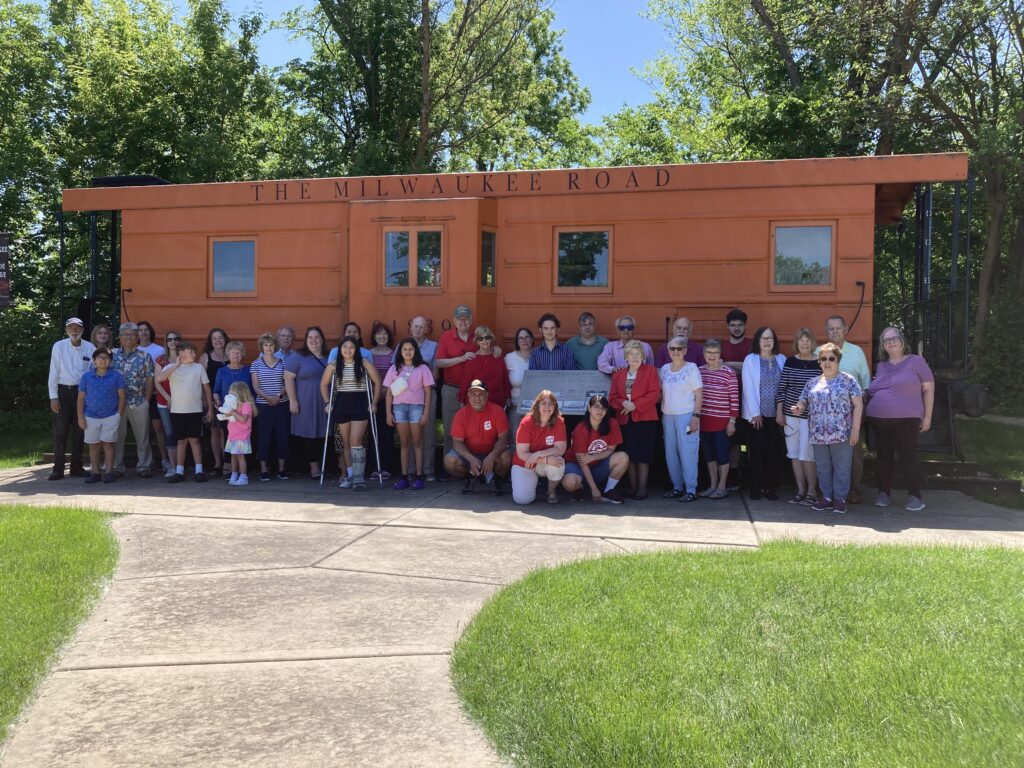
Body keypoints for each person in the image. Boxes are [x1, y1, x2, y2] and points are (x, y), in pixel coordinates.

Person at [866, 326, 935, 511]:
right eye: (886, 340)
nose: (891, 342)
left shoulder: (916, 361)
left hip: (907, 418)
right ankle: (883, 493)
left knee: (908, 456)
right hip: (879, 419)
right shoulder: (881, 366)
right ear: (883, 346)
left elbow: (928, 389)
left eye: (894, 338)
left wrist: (927, 416)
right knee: (883, 458)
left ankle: (915, 496)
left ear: (902, 340)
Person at [792, 342, 864, 514]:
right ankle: (826, 498)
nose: (827, 362)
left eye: (831, 358)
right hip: (818, 434)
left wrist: (855, 430)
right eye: (823, 358)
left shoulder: (848, 380)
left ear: (838, 360)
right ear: (819, 361)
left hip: (842, 434)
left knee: (842, 467)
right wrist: (799, 407)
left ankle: (840, 499)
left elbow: (859, 405)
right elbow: (804, 400)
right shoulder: (812, 383)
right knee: (823, 467)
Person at [321, 336, 381, 491]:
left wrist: (373, 403)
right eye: (345, 347)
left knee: (356, 440)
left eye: (351, 347)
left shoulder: (364, 363)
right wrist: (328, 402)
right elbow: (323, 384)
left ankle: (359, 477)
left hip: (360, 402)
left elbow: (377, 382)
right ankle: (350, 475)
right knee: (346, 442)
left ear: (356, 349)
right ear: (340, 349)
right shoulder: (334, 365)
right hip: (341, 402)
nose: (348, 350)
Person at [822, 315, 871, 503]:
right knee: (828, 452)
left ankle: (854, 489)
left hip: (852, 412)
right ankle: (829, 491)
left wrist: (861, 410)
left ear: (846, 329)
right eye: (831, 329)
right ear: (826, 331)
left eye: (838, 328)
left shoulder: (857, 352)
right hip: (826, 414)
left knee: (854, 452)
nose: (835, 332)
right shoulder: (821, 351)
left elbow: (865, 381)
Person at [609, 339, 661, 499]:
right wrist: (622, 403)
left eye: (638, 354)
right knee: (629, 455)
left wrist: (635, 405)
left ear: (643, 356)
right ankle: (632, 488)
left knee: (643, 455)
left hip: (645, 419)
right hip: (625, 420)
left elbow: (654, 394)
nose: (635, 357)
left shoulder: (651, 371)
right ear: (626, 357)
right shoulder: (618, 375)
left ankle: (642, 489)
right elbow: (612, 397)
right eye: (631, 354)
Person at [156, 341, 213, 482]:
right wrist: (176, 365)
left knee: (195, 440)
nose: (194, 354)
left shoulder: (198, 367)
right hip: (177, 411)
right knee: (181, 441)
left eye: (194, 352)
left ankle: (199, 470)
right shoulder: (171, 367)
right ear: (181, 354)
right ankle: (179, 471)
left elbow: (207, 388)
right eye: (191, 352)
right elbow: (160, 378)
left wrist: (210, 408)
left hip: (195, 410)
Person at [776, 329, 821, 505]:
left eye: (808, 341)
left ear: (812, 343)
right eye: (801, 340)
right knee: (794, 454)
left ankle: (812, 491)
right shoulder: (790, 361)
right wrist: (780, 411)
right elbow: (782, 388)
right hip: (789, 416)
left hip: (809, 416)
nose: (804, 344)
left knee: (807, 455)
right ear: (797, 342)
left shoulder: (819, 362)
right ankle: (800, 490)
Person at [435, 304, 481, 476]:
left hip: (473, 392)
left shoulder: (477, 337)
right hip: (451, 390)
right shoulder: (446, 338)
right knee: (450, 430)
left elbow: (488, 350)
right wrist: (461, 358)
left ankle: (470, 466)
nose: (463, 321)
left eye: (466, 318)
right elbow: (439, 362)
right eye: (460, 318)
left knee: (473, 430)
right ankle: (449, 467)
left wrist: (497, 348)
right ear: (454, 321)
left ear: (471, 320)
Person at [445, 379, 512, 495]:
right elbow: (457, 443)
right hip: (470, 455)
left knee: (507, 457)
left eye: (481, 394)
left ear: (487, 395)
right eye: (473, 394)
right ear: (468, 396)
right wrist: (471, 459)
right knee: (449, 461)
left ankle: (495, 478)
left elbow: (503, 439)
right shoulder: (461, 415)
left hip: (492, 454)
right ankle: (472, 475)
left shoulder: (498, 411)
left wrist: (491, 456)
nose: (477, 398)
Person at [384, 337, 435, 490]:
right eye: (404, 349)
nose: (407, 352)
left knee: (417, 442)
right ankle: (405, 476)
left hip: (416, 408)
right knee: (404, 442)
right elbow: (388, 393)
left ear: (415, 351)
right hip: (399, 408)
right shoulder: (394, 368)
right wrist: (388, 413)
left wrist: (426, 412)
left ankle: (419, 476)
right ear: (400, 351)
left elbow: (428, 391)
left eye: (411, 349)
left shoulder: (423, 368)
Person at [47, 317, 95, 479]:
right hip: (63, 392)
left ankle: (76, 467)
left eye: (77, 327)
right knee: (60, 431)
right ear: (66, 330)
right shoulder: (58, 346)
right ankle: (58, 468)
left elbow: (94, 372)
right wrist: (53, 397)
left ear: (82, 330)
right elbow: (53, 371)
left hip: (82, 393)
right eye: (71, 327)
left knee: (80, 430)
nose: (74, 330)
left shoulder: (90, 347)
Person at [741, 326, 786, 500]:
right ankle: (755, 487)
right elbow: (748, 388)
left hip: (776, 416)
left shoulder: (781, 359)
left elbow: (784, 386)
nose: (767, 341)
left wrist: (781, 412)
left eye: (770, 338)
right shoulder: (751, 360)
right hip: (756, 417)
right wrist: (754, 413)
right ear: (757, 341)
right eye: (763, 338)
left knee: (773, 453)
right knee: (756, 452)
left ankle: (770, 487)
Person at [560, 394, 628, 503]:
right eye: (596, 407)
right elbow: (582, 461)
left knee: (623, 457)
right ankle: (579, 489)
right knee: (570, 483)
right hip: (577, 466)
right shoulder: (580, 430)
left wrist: (593, 457)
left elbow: (611, 449)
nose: (599, 411)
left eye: (603, 408)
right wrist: (594, 489)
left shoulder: (612, 424)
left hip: (597, 465)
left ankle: (608, 491)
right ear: (589, 408)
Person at [660, 336, 703, 502]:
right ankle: (677, 487)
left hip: (686, 414)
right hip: (668, 415)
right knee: (671, 453)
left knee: (688, 452)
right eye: (672, 348)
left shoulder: (691, 368)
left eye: (679, 348)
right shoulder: (664, 369)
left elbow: (699, 393)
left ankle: (691, 489)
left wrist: (696, 416)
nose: (676, 352)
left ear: (685, 350)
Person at [284, 326, 329, 479]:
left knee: (326, 433)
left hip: (326, 401)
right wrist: (293, 400)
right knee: (310, 434)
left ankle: (329, 466)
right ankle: (314, 468)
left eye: (317, 337)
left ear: (322, 340)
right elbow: (288, 378)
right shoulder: (297, 356)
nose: (314, 340)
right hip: (306, 401)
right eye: (310, 337)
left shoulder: (330, 357)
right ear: (306, 340)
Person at [112, 322, 155, 478]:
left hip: (138, 401)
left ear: (137, 338)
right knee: (117, 436)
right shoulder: (112, 354)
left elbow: (150, 379)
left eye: (131, 334)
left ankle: (144, 466)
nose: (128, 337)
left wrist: (147, 401)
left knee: (142, 436)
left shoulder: (145, 357)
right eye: (124, 334)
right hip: (116, 404)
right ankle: (116, 466)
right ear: (120, 337)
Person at [77, 348, 125, 485]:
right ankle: (95, 472)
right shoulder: (86, 377)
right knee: (94, 445)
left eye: (106, 358)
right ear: (94, 360)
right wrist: (80, 417)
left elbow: (122, 396)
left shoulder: (116, 376)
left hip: (111, 415)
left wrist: (118, 414)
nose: (103, 360)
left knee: (109, 444)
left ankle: (109, 472)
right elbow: (80, 398)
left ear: (110, 361)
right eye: (100, 358)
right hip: (91, 415)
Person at [698, 338, 739, 498]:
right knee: (709, 455)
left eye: (715, 353)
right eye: (709, 352)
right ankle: (712, 485)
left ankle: (722, 486)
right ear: (704, 354)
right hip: (704, 421)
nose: (712, 356)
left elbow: (734, 399)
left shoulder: (728, 373)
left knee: (722, 454)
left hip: (722, 423)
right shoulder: (699, 371)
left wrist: (732, 422)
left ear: (720, 354)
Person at [400, 316, 440, 480]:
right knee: (410, 435)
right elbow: (396, 369)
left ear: (427, 329)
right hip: (407, 397)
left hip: (427, 393)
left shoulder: (434, 346)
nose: (418, 329)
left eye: (421, 327)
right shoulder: (402, 346)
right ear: (411, 328)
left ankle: (428, 470)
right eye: (415, 326)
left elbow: (436, 372)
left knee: (429, 432)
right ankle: (410, 470)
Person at [511, 389, 567, 505]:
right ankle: (529, 483)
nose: (547, 407)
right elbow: (522, 454)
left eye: (551, 403)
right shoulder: (526, 422)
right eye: (544, 403)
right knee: (522, 500)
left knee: (558, 463)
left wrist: (538, 454)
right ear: (537, 405)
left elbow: (560, 449)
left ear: (555, 406)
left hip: (541, 463)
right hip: (524, 463)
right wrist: (545, 459)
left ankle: (551, 491)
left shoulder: (559, 421)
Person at [251, 333, 290, 481]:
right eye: (265, 345)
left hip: (282, 403)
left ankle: (281, 469)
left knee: (282, 435)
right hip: (263, 405)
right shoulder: (256, 364)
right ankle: (264, 470)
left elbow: (288, 383)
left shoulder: (283, 363)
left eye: (271, 345)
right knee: (264, 436)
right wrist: (268, 398)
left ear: (275, 347)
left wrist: (278, 397)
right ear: (261, 347)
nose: (268, 347)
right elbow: (256, 386)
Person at [721, 308, 752, 487]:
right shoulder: (722, 346)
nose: (737, 328)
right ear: (727, 326)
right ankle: (732, 472)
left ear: (745, 326)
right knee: (732, 440)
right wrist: (742, 366)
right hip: (727, 401)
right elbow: (720, 368)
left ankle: (747, 469)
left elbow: (751, 366)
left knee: (747, 439)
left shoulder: (752, 344)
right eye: (733, 325)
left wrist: (729, 364)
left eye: (740, 325)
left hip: (748, 398)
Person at [136, 320, 169, 473]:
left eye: (146, 329)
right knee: (142, 430)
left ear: (150, 332)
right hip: (137, 396)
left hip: (156, 395)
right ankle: (145, 461)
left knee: (158, 428)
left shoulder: (160, 350)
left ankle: (164, 459)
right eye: (140, 330)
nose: (143, 332)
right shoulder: (132, 349)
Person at [199, 328, 229, 476]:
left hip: (230, 401)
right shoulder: (205, 357)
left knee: (227, 432)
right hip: (212, 400)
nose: (218, 341)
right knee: (215, 432)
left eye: (220, 338)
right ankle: (218, 463)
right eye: (214, 338)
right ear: (210, 341)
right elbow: (200, 381)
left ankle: (227, 462)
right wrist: (205, 400)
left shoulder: (231, 353)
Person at [369, 322, 395, 480]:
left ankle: (386, 467)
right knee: (373, 434)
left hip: (389, 399)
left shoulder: (393, 354)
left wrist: (388, 389)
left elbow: (397, 374)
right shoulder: (368, 354)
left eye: (385, 334)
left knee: (387, 434)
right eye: (378, 333)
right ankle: (374, 467)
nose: (382, 336)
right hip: (372, 399)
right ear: (373, 336)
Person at [460, 325, 511, 407]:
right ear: (477, 341)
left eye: (487, 337)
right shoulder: (472, 360)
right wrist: (462, 401)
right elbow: (465, 383)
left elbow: (505, 378)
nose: (484, 341)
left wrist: (508, 396)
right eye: (480, 339)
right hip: (477, 404)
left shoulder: (498, 357)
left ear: (491, 339)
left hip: (497, 402)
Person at [154, 331, 182, 478]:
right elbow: (157, 381)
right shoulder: (161, 360)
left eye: (176, 338)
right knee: (169, 433)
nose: (173, 341)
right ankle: (172, 466)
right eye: (169, 339)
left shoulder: (184, 358)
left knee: (181, 433)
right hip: (164, 402)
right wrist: (168, 398)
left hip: (183, 403)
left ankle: (181, 466)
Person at [223, 381, 256, 486]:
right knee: (233, 456)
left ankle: (243, 476)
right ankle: (234, 474)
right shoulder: (234, 405)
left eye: (231, 392)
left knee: (240, 457)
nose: (229, 393)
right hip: (232, 435)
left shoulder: (246, 405)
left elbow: (243, 419)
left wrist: (233, 412)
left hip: (241, 436)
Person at [213, 341, 252, 412]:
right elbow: (216, 391)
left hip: (245, 411)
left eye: (238, 353)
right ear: (228, 354)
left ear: (243, 354)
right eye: (233, 353)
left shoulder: (248, 370)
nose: (235, 355)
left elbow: (253, 391)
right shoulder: (221, 371)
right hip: (227, 410)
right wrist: (218, 400)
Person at [505, 327, 533, 418]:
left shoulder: (539, 356)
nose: (524, 340)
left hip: (535, 406)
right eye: (521, 338)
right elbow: (502, 380)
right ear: (517, 341)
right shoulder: (509, 358)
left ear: (532, 339)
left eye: (527, 337)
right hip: (515, 406)